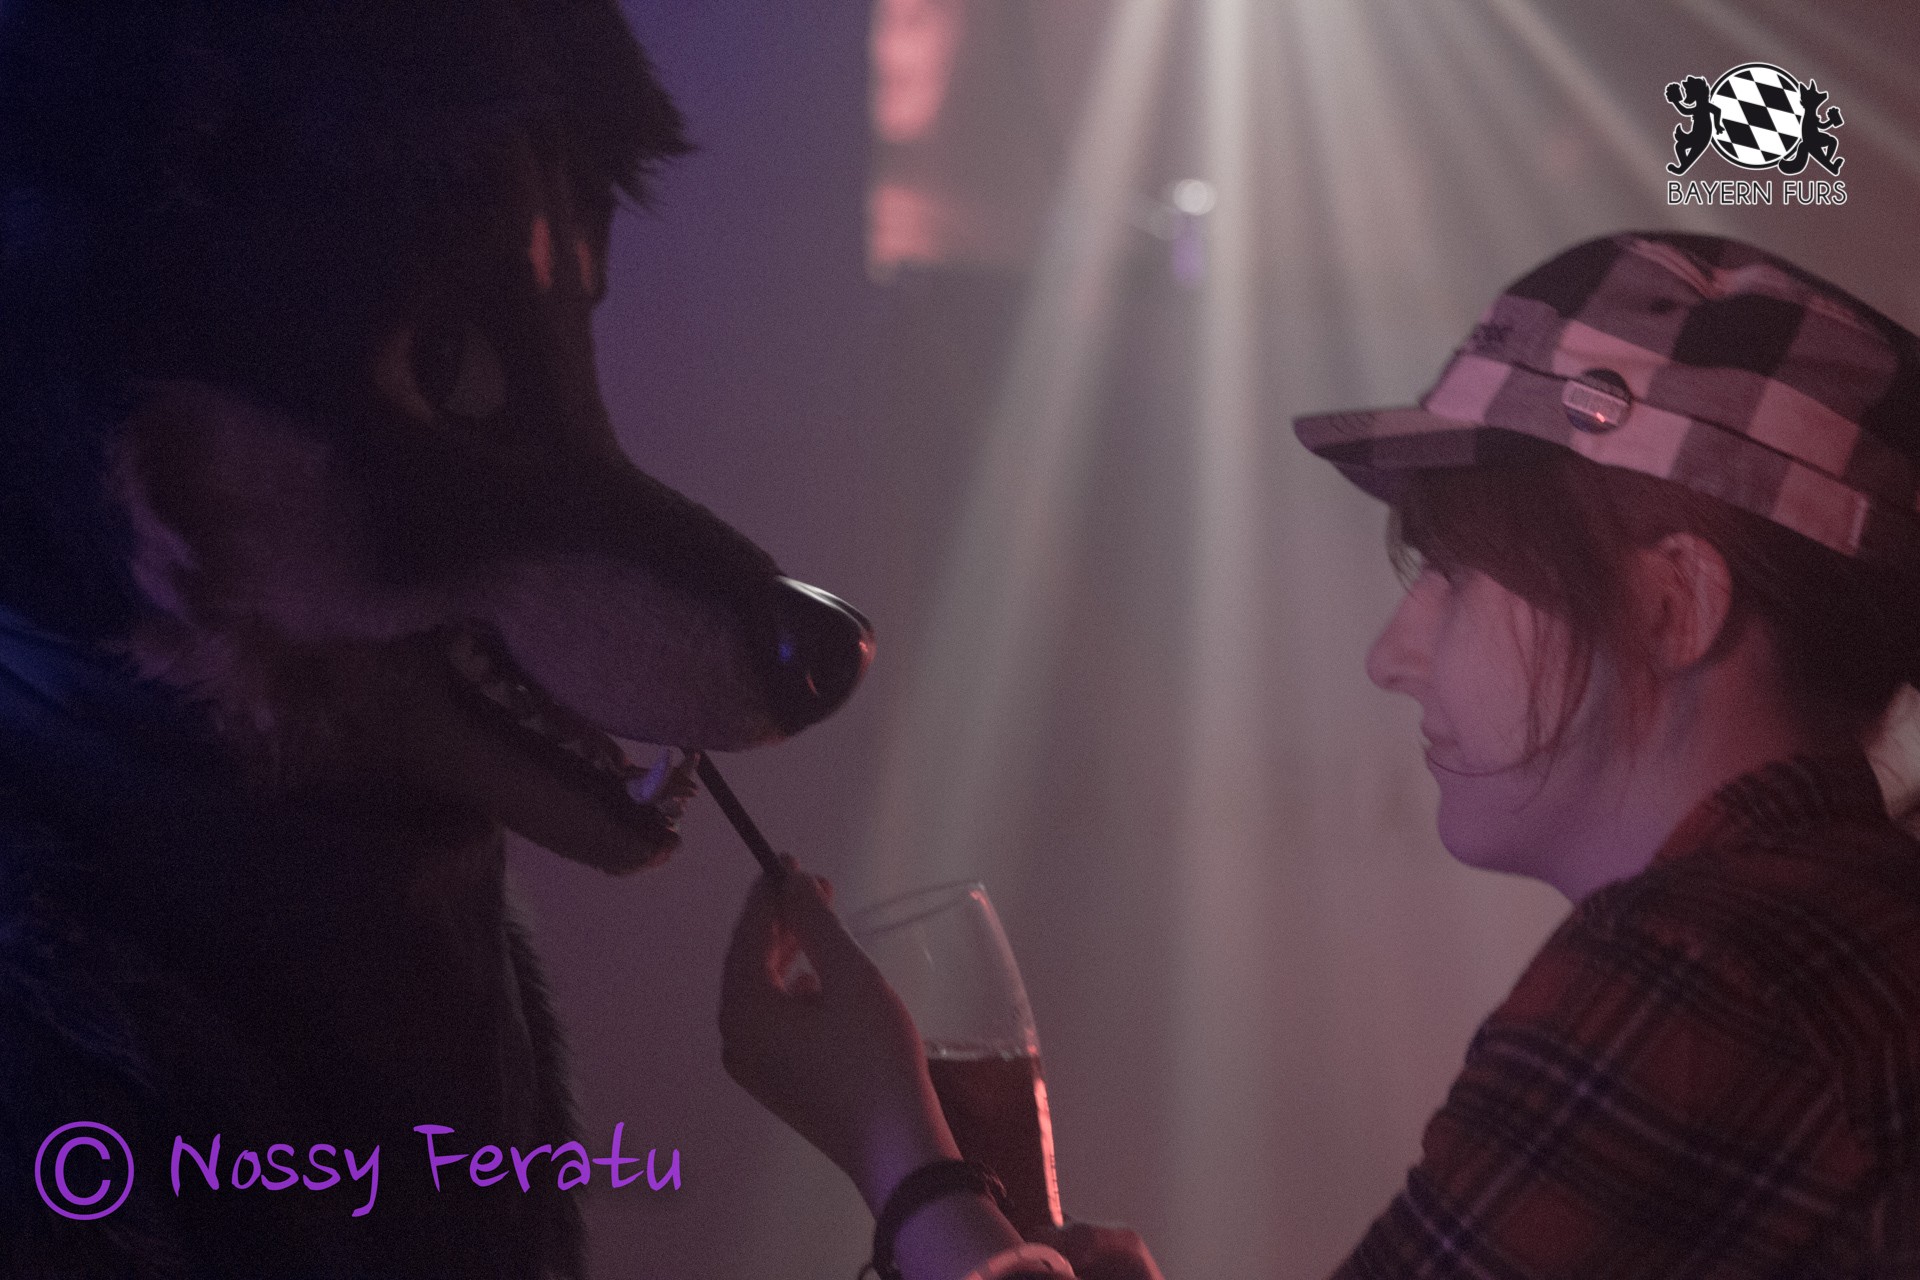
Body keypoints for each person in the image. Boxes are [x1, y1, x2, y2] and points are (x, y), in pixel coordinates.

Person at [718, 232, 1920, 1278]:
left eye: (1455, 572)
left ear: (1673, 603)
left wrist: (907, 1160)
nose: (1392, 654)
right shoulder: (1845, 924)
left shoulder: (1698, 971)